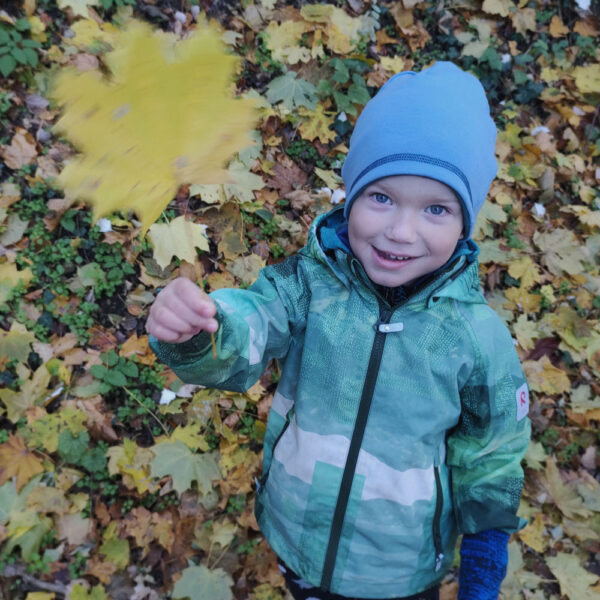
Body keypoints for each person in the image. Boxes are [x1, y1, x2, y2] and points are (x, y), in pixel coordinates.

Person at [146, 62, 531, 600]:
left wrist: (484, 560)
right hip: (298, 534)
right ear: (349, 196)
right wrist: (197, 331)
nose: (400, 230)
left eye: (436, 209)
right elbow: (249, 327)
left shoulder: (475, 338)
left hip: (401, 569)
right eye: (381, 198)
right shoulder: (308, 285)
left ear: (465, 225)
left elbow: (491, 454)